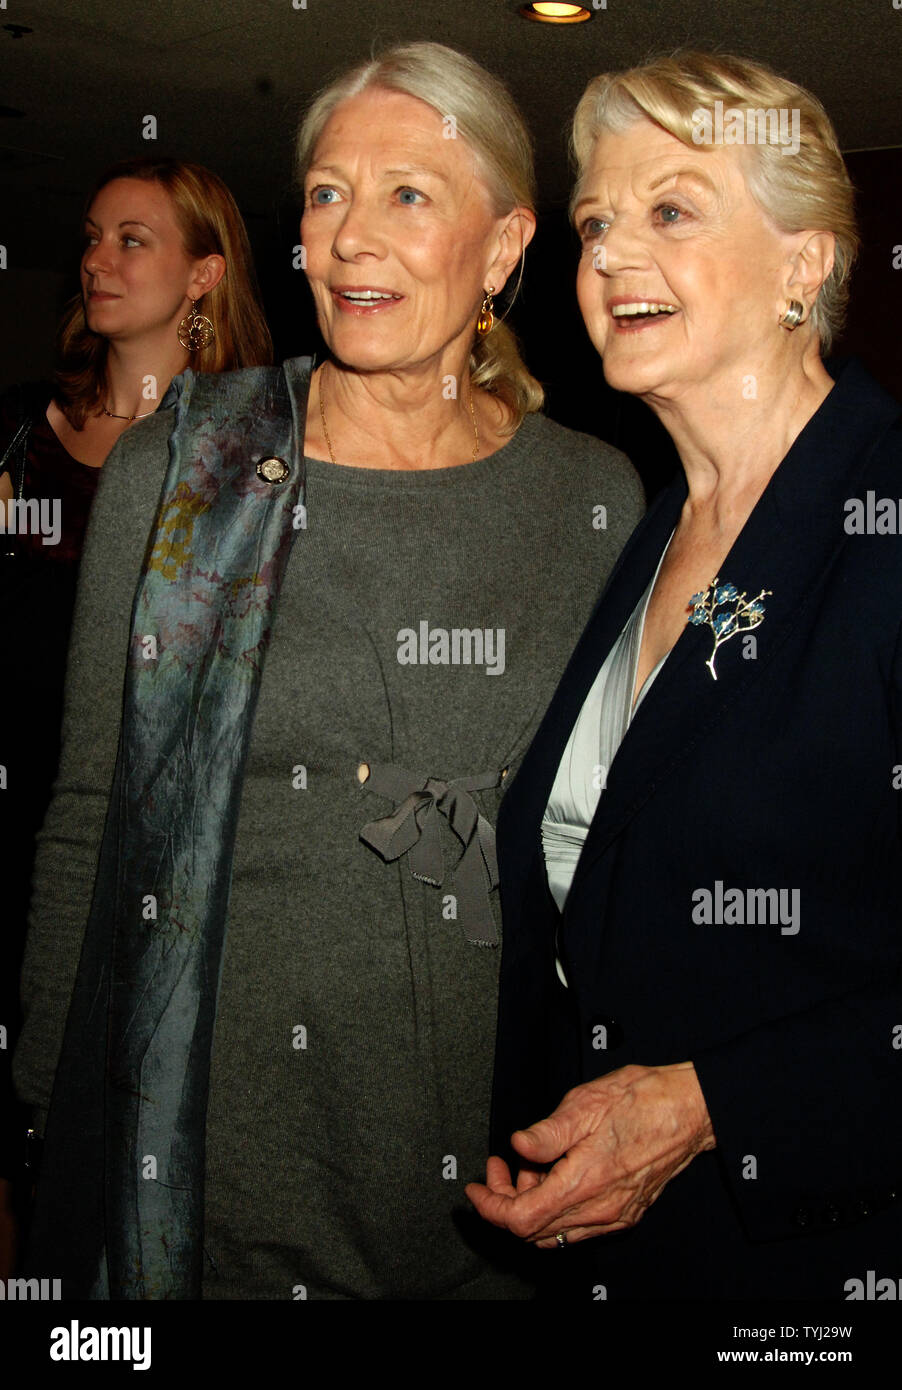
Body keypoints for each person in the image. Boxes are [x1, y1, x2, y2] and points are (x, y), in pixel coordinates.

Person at [13, 42, 643, 1300]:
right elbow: (92, 808)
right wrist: (49, 1111)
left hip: (505, 1162)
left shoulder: (594, 498)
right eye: (325, 194)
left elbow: (622, 842)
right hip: (224, 1146)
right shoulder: (183, 471)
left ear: (504, 245)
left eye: (408, 194)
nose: (350, 239)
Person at [468, 49, 902, 1299]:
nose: (605, 256)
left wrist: (711, 1106)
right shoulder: (655, 524)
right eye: (596, 220)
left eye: (668, 210)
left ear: (802, 262)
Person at [0, 154, 272, 1275]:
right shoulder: (21, 433)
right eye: (93, 237)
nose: (97, 260)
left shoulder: (249, 455)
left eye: (134, 240)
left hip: (144, 829)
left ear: (203, 274)